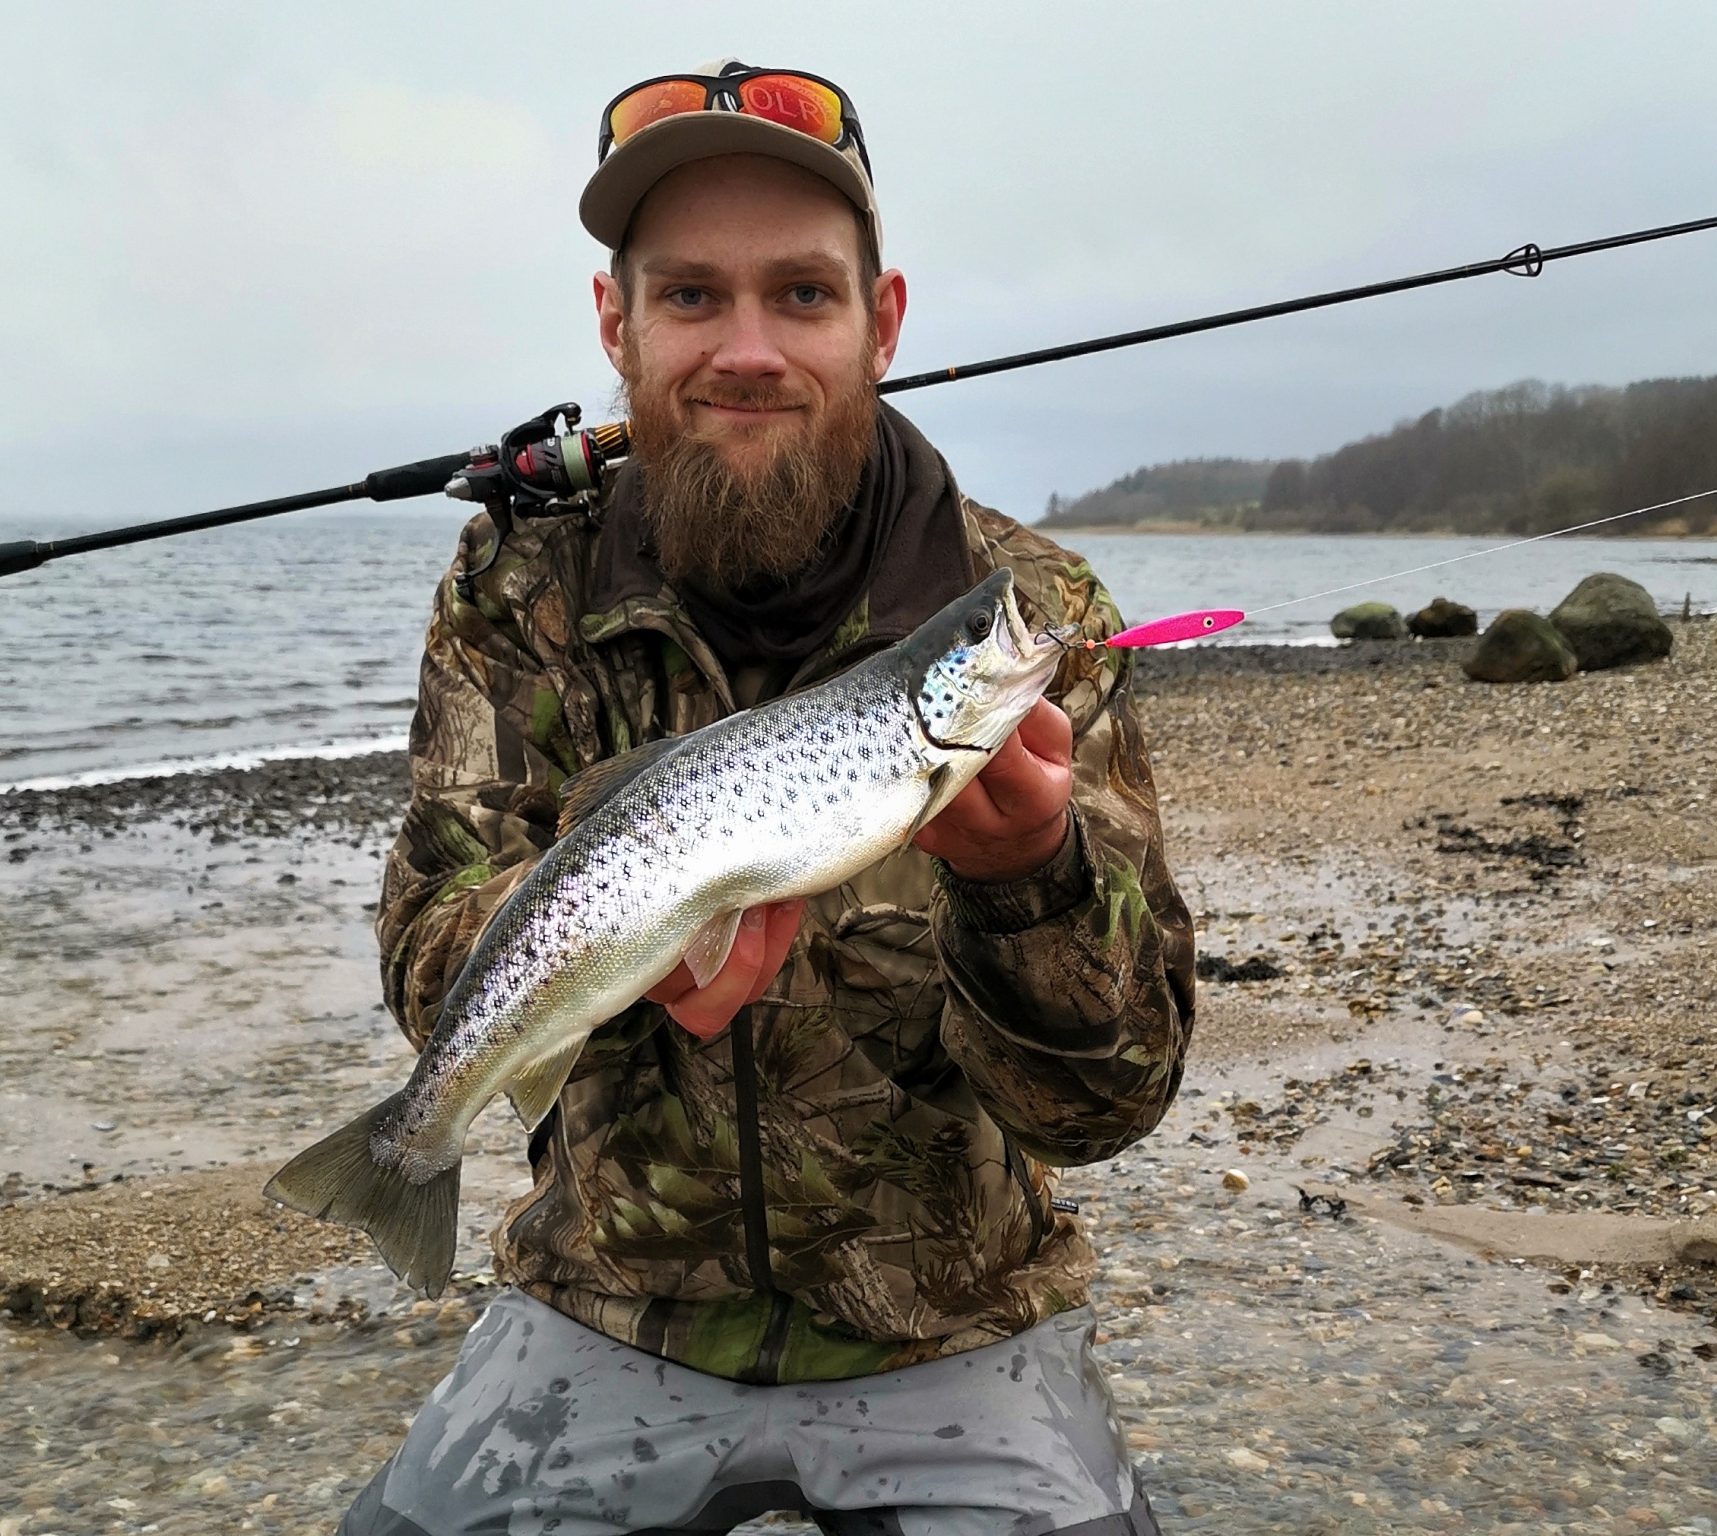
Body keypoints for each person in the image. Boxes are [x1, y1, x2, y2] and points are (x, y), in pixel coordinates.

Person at [340, 58, 1194, 1536]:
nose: (748, 348)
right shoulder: (515, 586)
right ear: (616, 323)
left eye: (803, 294)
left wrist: (1027, 881)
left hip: (955, 1322)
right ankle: (395, 1159)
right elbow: (431, 933)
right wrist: (622, 966)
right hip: (604, 1304)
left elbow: (1113, 1102)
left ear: (885, 323)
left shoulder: (1034, 611)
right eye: (691, 297)